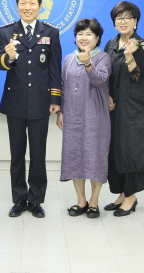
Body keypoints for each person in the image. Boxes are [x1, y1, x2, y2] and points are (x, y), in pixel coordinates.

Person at [0, 0, 62, 218]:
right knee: (16, 155)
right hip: (15, 102)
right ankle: (19, 199)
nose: (27, 7)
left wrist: (55, 98)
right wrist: (9, 56)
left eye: (32, 3)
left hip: (40, 102)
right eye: (23, 3)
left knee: (38, 154)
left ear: (40, 6)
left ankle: (35, 200)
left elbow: (54, 68)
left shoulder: (51, 33)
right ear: (17, 6)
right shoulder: (6, 32)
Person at [104, 1, 144, 217]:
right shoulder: (110, 44)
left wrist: (128, 55)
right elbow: (106, 72)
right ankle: (121, 193)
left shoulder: (141, 45)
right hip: (114, 107)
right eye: (118, 18)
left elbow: (137, 76)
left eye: (127, 17)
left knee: (132, 150)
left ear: (136, 21)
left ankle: (131, 196)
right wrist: (107, 94)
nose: (122, 21)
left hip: (135, 107)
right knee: (115, 149)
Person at [57, 18, 111, 218]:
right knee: (74, 157)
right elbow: (63, 86)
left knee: (95, 157)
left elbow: (100, 80)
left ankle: (94, 201)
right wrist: (61, 112)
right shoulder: (69, 58)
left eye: (89, 34)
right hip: (72, 116)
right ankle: (81, 201)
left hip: (95, 116)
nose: (84, 37)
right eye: (80, 34)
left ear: (97, 38)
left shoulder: (103, 57)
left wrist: (88, 64)